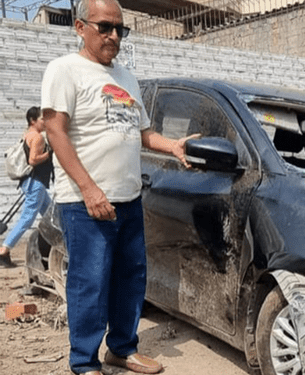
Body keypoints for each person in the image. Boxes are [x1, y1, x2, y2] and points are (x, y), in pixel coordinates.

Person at [41, 1, 197, 374]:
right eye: (105, 27)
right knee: (90, 283)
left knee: (131, 278)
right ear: (81, 27)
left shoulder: (125, 77)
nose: (114, 36)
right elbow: (55, 132)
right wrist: (89, 189)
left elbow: (142, 132)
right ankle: (83, 361)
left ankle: (122, 349)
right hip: (84, 202)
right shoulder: (64, 70)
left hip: (128, 199)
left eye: (120, 30)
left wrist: (171, 146)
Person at [0, 107, 53, 268]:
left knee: (51, 215)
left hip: (34, 183)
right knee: (27, 218)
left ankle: (56, 246)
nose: (45, 122)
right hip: (35, 183)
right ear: (33, 121)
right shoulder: (37, 137)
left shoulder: (27, 135)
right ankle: (4, 251)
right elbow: (33, 160)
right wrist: (50, 153)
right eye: (42, 119)